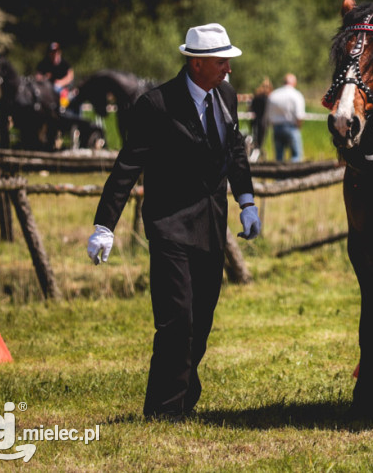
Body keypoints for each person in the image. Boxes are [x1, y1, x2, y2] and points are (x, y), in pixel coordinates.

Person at [86, 23, 260, 421]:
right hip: (170, 226)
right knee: (176, 320)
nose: (229, 70)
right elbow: (127, 166)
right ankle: (163, 410)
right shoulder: (156, 105)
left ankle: (182, 394)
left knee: (201, 321)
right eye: (222, 62)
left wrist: (246, 200)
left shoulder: (226, 96)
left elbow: (235, 151)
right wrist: (104, 225)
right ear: (197, 64)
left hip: (212, 226)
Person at [267, 73, 305, 162]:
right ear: (294, 83)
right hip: (291, 127)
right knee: (296, 155)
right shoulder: (296, 95)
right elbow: (299, 115)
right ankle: (293, 175)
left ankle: (280, 175)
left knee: (279, 157)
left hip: (276, 128)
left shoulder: (274, 94)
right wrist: (298, 127)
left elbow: (269, 114)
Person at [249, 78, 273, 161]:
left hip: (254, 121)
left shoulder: (256, 96)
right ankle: (255, 158)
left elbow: (250, 108)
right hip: (263, 122)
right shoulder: (268, 98)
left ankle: (254, 157)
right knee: (260, 143)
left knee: (255, 140)